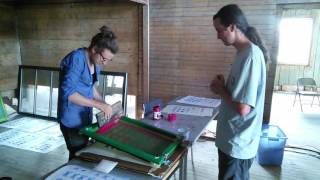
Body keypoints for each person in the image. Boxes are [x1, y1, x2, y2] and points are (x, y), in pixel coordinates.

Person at [210, 4, 268, 180]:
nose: (218, 36)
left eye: (220, 30)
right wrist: (225, 86)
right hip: (231, 140)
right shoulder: (242, 53)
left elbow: (243, 109)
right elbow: (239, 95)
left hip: (238, 144)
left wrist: (221, 90)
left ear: (233, 27)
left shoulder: (250, 56)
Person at [58, 26, 119, 160]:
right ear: (94, 49)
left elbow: (91, 88)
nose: (105, 63)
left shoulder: (96, 62)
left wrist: (104, 103)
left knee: (83, 152)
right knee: (78, 156)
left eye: (109, 60)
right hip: (71, 118)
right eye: (104, 59)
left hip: (84, 117)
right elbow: (68, 94)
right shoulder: (77, 59)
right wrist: (99, 105)